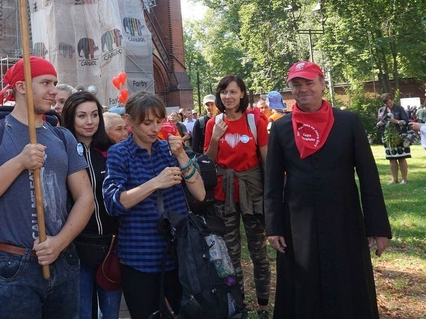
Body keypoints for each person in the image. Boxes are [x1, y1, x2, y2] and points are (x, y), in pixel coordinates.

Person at [0, 56, 93, 317]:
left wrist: (60, 242)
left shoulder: (62, 136)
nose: (53, 90)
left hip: (63, 259)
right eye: (45, 83)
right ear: (21, 87)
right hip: (12, 265)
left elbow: (86, 198)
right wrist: (19, 162)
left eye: (54, 83)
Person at [265, 61, 391, 318]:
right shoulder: (280, 127)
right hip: (297, 223)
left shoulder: (348, 122)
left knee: (347, 282)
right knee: (303, 284)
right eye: (296, 84)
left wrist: (377, 227)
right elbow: (273, 182)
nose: (303, 89)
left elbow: (368, 177)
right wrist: (274, 226)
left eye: (309, 83)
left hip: (344, 217)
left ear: (323, 84)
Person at [103, 91, 205, 319]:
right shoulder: (120, 153)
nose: (154, 128)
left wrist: (181, 156)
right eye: (147, 122)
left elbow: (200, 193)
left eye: (159, 121)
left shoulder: (168, 150)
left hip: (177, 253)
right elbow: (113, 203)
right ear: (129, 121)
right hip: (139, 256)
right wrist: (155, 183)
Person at [204, 76, 270, 318]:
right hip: (224, 195)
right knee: (230, 255)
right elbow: (208, 162)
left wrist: (272, 194)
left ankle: (263, 306)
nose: (228, 96)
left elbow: (267, 160)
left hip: (253, 193)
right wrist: (214, 138)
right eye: (223, 92)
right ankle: (238, 305)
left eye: (233, 91)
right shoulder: (214, 123)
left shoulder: (255, 121)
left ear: (242, 93)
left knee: (258, 252)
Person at [62, 92, 122, 319]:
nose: (90, 122)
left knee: (110, 313)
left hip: (111, 246)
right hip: (76, 247)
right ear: (70, 118)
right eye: (82, 116)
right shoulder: (62, 152)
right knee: (82, 313)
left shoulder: (111, 151)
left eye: (94, 115)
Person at [377, 93, 411, 184]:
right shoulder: (381, 110)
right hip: (387, 137)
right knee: (391, 158)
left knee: (402, 157)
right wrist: (380, 124)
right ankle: (394, 179)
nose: (389, 104)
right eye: (387, 103)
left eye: (390, 102)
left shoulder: (399, 109)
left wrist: (395, 121)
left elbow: (406, 122)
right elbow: (378, 123)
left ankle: (404, 179)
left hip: (399, 135)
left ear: (393, 100)